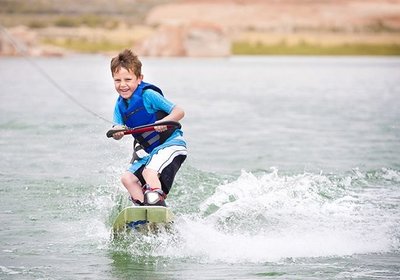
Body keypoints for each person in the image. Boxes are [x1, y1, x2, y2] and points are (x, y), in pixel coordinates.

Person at [110, 49, 187, 207]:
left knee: (148, 172)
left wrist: (164, 121)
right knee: (127, 178)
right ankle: (143, 210)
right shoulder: (119, 107)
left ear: (139, 79)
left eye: (128, 79)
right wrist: (117, 133)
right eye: (117, 80)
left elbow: (179, 111)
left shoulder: (148, 95)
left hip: (171, 144)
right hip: (150, 153)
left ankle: (157, 206)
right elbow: (117, 126)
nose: (122, 85)